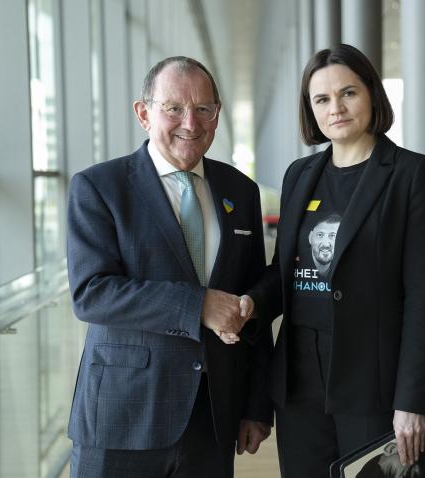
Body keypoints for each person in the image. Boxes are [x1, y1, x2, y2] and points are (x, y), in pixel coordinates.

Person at [66, 56, 272, 478]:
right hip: (123, 416)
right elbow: (92, 293)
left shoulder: (240, 191)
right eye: (173, 108)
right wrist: (197, 306)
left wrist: (256, 405)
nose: (190, 124)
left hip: (212, 416)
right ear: (144, 113)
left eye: (203, 109)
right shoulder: (99, 187)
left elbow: (252, 305)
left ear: (217, 116)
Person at [244, 44, 425, 476]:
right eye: (322, 99)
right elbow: (284, 276)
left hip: (371, 381)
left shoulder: (411, 174)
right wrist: (249, 304)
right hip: (299, 382)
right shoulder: (300, 175)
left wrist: (411, 400)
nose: (336, 107)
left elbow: (422, 297)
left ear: (372, 94)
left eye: (348, 93)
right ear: (310, 109)